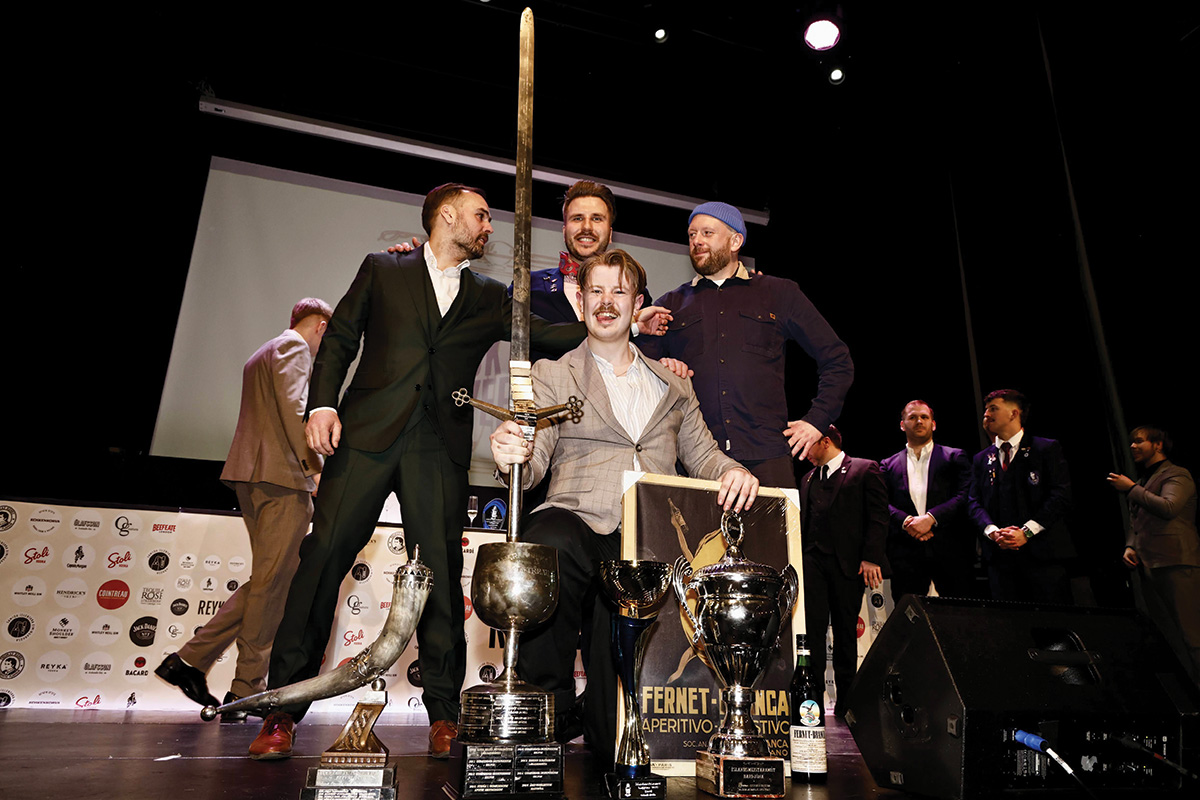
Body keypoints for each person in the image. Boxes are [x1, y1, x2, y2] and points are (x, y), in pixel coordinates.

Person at [248, 184, 586, 761]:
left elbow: (548, 335)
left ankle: (444, 715)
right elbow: (342, 338)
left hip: (437, 448)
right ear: (446, 216)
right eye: (481, 216)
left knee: (439, 574)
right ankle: (283, 708)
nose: (488, 227)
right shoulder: (383, 269)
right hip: (365, 438)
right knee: (323, 557)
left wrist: (619, 323)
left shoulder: (489, 295)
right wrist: (322, 404)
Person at [490, 248, 759, 766]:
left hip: (644, 537)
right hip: (577, 519)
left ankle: (600, 721)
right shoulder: (551, 373)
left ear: (637, 304)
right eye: (596, 291)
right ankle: (544, 709)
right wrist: (512, 454)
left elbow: (704, 455)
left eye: (619, 291)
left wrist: (733, 471)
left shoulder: (674, 383)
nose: (606, 302)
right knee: (547, 540)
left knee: (612, 734)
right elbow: (535, 455)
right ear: (581, 302)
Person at [155, 298, 330, 719]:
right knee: (272, 585)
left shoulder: (263, 351)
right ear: (322, 326)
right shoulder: (294, 348)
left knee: (269, 582)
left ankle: (190, 662)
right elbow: (294, 412)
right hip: (282, 478)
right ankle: (245, 689)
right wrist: (315, 468)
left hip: (255, 476)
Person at [635, 201, 853, 488]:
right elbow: (635, 376)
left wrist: (816, 421)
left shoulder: (779, 293)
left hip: (767, 458)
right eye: (692, 235)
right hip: (696, 462)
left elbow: (837, 360)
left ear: (735, 241)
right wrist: (652, 353)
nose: (697, 241)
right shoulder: (670, 306)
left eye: (707, 233)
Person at [799, 425, 888, 715]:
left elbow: (878, 516)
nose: (804, 452)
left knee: (846, 632)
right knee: (812, 632)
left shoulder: (864, 469)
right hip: (812, 562)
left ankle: (848, 704)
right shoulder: (808, 478)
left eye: (809, 444)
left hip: (847, 564)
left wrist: (871, 557)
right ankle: (811, 701)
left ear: (825, 442)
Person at [1108, 426, 1200, 683]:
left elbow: (1169, 507)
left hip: (1176, 562)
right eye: (1131, 442)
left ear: (1158, 445)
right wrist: (1131, 546)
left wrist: (1130, 488)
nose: (1133, 446)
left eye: (1139, 441)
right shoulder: (1144, 481)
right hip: (1150, 565)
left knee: (1192, 635)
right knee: (1169, 637)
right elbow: (1137, 521)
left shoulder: (1177, 474)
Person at [967, 389, 1074, 604]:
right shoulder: (982, 459)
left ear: (1014, 413)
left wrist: (1026, 532)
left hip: (1043, 556)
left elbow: (1060, 495)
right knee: (1009, 621)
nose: (986, 414)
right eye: (986, 410)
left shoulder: (1045, 448)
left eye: (993, 409)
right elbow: (973, 502)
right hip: (1000, 560)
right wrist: (992, 531)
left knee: (1052, 618)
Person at [880, 400, 974, 601]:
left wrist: (931, 518)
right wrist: (906, 521)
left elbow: (965, 494)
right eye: (912, 417)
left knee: (958, 613)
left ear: (933, 424)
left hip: (950, 549)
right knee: (908, 614)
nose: (919, 421)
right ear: (902, 424)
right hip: (905, 553)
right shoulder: (888, 464)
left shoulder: (954, 456)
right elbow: (880, 502)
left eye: (924, 417)